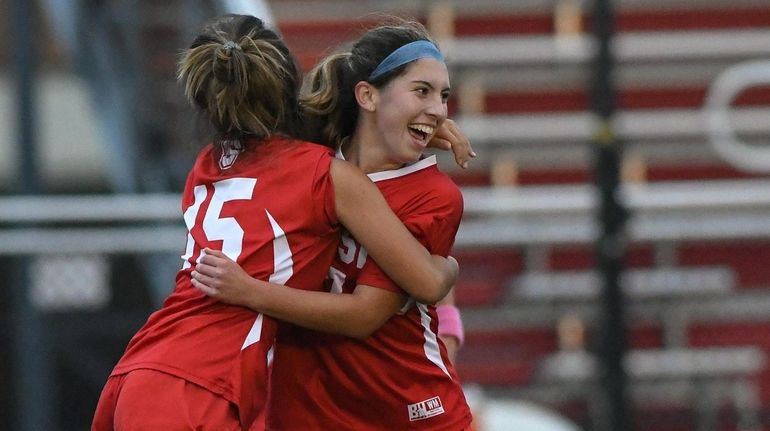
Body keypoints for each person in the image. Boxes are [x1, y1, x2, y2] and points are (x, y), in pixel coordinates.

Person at [91, 14, 468, 431]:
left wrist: (410, 126)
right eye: (422, 91)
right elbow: (421, 286)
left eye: (442, 96)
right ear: (365, 95)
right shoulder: (327, 175)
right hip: (208, 386)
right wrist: (448, 267)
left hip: (142, 368)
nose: (437, 108)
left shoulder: (208, 165)